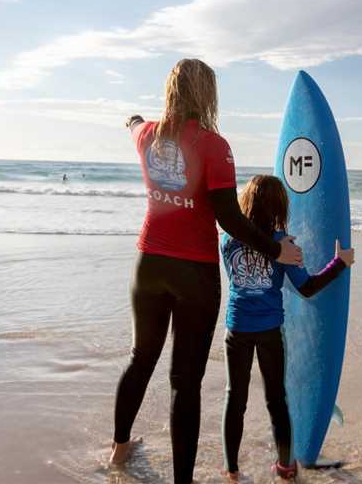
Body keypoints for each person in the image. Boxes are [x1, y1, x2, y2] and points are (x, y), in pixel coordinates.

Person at [110, 59, 303, 484]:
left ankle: (119, 449)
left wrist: (132, 118)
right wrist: (276, 251)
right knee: (185, 380)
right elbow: (230, 219)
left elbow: (133, 123)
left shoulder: (146, 135)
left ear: (171, 91)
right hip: (193, 273)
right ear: (207, 94)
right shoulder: (214, 146)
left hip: (149, 265)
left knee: (140, 359)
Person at [220, 175, 355, 481]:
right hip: (269, 332)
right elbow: (307, 288)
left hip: (236, 329)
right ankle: (285, 467)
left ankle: (231, 469)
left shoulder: (227, 239)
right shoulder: (284, 245)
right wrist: (339, 263)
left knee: (234, 399)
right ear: (279, 206)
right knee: (276, 399)